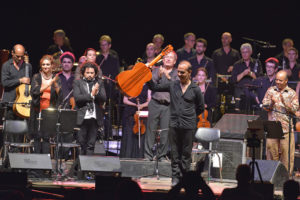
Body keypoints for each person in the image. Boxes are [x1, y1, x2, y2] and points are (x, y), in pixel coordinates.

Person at [147, 60, 204, 186]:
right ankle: (175, 178)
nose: (179, 74)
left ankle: (185, 178)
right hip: (174, 124)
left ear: (189, 73)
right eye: (178, 71)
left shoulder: (195, 89)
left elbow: (200, 107)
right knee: (174, 152)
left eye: (182, 72)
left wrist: (190, 116)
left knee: (186, 154)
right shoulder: (173, 85)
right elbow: (154, 87)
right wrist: (147, 75)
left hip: (188, 125)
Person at [262, 70, 299, 175]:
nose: (277, 82)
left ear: (286, 81)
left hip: (286, 128)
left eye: (280, 80)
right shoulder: (271, 90)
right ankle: (271, 176)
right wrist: (271, 103)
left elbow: (295, 109)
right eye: (276, 79)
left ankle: (285, 179)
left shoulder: (291, 93)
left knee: (287, 156)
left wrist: (283, 102)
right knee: (271, 152)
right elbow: (265, 106)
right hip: (273, 126)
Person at [144, 51, 178, 162]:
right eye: (166, 57)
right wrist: (159, 76)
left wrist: (167, 75)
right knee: (150, 130)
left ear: (174, 61)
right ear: (162, 59)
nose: (168, 59)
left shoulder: (177, 73)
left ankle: (161, 156)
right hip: (155, 102)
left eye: (171, 58)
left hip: (168, 105)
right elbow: (152, 85)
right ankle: (148, 155)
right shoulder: (155, 70)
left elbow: (176, 86)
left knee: (165, 131)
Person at [1, 44, 32, 148]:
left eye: (21, 56)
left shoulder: (28, 66)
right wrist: (20, 80)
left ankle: (17, 154)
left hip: (21, 105)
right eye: (17, 56)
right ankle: (8, 156)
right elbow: (4, 83)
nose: (19, 58)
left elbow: (28, 85)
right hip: (9, 103)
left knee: (19, 132)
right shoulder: (6, 65)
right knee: (9, 133)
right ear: (12, 53)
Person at [29, 55, 61, 154]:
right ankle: (37, 164)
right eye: (43, 64)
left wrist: (54, 84)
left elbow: (60, 94)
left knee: (47, 137)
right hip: (37, 109)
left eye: (47, 64)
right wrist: (48, 84)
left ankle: (46, 163)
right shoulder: (36, 77)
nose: (45, 66)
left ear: (52, 65)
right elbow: (35, 91)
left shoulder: (56, 78)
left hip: (49, 110)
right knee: (37, 136)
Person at [73, 62, 106, 155]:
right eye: (87, 73)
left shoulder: (99, 83)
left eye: (92, 73)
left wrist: (97, 92)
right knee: (81, 144)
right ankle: (79, 167)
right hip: (82, 118)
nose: (90, 75)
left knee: (91, 145)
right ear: (83, 73)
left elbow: (104, 98)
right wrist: (92, 94)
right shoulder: (78, 82)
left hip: (94, 118)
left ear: (95, 73)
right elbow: (78, 98)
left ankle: (88, 168)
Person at [96, 35, 120, 140]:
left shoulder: (114, 58)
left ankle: (108, 133)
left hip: (110, 87)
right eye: (102, 45)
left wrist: (112, 81)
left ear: (109, 46)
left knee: (108, 110)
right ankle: (98, 133)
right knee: (99, 110)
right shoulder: (98, 58)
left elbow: (116, 73)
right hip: (99, 87)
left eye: (105, 45)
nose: (103, 47)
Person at [119, 82, 151, 158]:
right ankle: (128, 155)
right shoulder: (130, 85)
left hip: (142, 112)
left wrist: (142, 105)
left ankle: (140, 155)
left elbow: (150, 101)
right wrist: (136, 105)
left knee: (142, 133)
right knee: (129, 133)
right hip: (130, 111)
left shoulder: (148, 87)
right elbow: (125, 100)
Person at [231, 43, 263, 113]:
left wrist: (250, 73)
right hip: (240, 90)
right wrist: (243, 73)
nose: (244, 54)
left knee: (254, 110)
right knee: (239, 111)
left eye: (246, 52)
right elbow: (233, 80)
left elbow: (260, 79)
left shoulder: (256, 62)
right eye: (243, 52)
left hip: (253, 90)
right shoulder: (237, 64)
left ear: (250, 52)